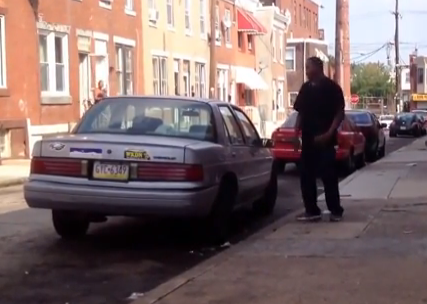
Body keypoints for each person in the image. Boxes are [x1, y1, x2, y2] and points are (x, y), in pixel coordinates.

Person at [293, 56, 345, 222]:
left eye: (308, 67)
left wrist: (329, 133)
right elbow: (300, 112)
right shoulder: (305, 89)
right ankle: (312, 210)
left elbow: (339, 113)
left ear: (317, 68)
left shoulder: (332, 88)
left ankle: (335, 210)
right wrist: (296, 133)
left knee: (328, 176)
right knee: (306, 176)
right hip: (308, 139)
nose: (306, 71)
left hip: (326, 140)